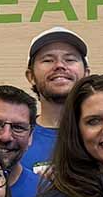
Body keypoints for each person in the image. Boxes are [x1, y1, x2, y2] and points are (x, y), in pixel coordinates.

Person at [19, 27, 89, 176]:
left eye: (70, 59)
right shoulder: (16, 137)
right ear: (30, 75)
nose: (59, 66)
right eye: (48, 60)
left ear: (86, 73)